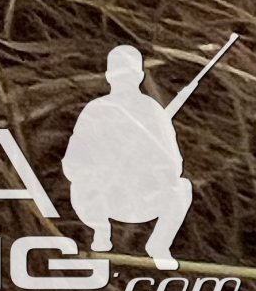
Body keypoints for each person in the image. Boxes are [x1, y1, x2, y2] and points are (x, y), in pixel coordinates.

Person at [63, 46, 194, 271]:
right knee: (82, 187)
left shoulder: (153, 112)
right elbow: (72, 163)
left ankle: (159, 246)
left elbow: (174, 165)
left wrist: (149, 164)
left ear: (140, 76)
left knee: (182, 188)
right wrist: (101, 171)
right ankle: (101, 235)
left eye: (130, 76)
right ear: (109, 77)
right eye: (119, 76)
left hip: (139, 197)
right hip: (102, 198)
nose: (125, 82)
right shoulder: (96, 111)